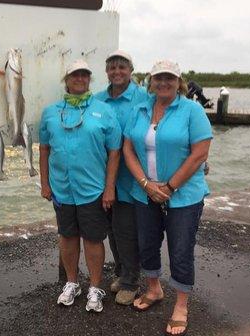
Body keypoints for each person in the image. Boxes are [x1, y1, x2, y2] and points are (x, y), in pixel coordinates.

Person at [122, 60, 212, 336]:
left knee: (181, 249)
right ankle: (154, 289)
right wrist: (145, 184)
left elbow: (200, 153)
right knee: (147, 244)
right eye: (158, 78)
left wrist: (170, 187)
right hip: (144, 192)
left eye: (169, 78)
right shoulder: (139, 109)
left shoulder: (192, 110)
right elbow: (128, 149)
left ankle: (181, 306)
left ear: (179, 82)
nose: (163, 83)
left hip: (183, 195)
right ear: (151, 81)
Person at [39, 58, 121, 313]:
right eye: (75, 75)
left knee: (93, 239)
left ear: (89, 79)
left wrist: (110, 188)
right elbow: (44, 148)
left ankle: (94, 287)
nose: (80, 79)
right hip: (62, 189)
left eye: (85, 75)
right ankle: (72, 282)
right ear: (67, 79)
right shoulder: (51, 112)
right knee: (67, 236)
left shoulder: (104, 111)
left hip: (92, 189)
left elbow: (115, 152)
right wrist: (45, 183)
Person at [94, 50, 148, 305]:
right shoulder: (97, 100)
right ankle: (121, 271)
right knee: (111, 229)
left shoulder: (143, 96)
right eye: (112, 67)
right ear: (106, 72)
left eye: (122, 67)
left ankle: (131, 281)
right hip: (103, 174)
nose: (117, 72)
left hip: (131, 174)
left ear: (131, 70)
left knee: (125, 229)